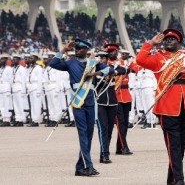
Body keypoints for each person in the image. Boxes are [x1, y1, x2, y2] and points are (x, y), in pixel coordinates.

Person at [136, 28, 185, 185]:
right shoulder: (157, 58)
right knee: (174, 147)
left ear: (179, 42)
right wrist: (150, 43)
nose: (169, 41)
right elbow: (140, 60)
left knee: (179, 147)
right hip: (167, 107)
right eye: (166, 39)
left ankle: (172, 180)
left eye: (173, 39)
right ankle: (179, 180)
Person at [50, 39, 114, 177]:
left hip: (90, 102)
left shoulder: (93, 64)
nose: (77, 51)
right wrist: (64, 50)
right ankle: (88, 166)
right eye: (76, 49)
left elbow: (111, 69)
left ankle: (80, 167)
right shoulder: (70, 63)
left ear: (86, 50)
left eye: (80, 49)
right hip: (78, 103)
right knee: (83, 134)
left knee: (89, 135)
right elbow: (53, 63)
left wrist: (95, 74)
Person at [105, 44, 135, 154]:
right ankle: (124, 146)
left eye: (114, 51)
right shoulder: (106, 64)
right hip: (115, 95)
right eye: (110, 51)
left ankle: (119, 147)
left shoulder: (122, 63)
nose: (112, 53)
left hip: (126, 95)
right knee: (120, 122)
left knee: (125, 123)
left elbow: (133, 69)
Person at [25, 53, 43, 127]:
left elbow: (39, 80)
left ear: (36, 59)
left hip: (36, 87)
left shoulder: (38, 68)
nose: (30, 59)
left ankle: (36, 120)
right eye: (30, 58)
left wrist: (39, 90)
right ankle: (33, 119)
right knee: (32, 105)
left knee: (36, 105)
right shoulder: (30, 68)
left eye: (32, 58)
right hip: (31, 87)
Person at [11, 54, 26, 127]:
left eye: (15, 59)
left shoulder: (22, 69)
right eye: (13, 59)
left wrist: (23, 90)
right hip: (14, 88)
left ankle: (21, 120)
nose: (13, 60)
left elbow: (23, 80)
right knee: (16, 105)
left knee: (20, 105)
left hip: (20, 87)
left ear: (19, 60)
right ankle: (17, 119)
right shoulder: (13, 68)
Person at [0, 54, 13, 127]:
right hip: (1, 88)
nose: (1, 61)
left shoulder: (9, 69)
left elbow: (10, 80)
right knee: (1, 105)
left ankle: (7, 119)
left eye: (3, 59)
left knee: (7, 104)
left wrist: (9, 90)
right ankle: (3, 118)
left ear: (6, 60)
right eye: (1, 59)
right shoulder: (0, 69)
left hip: (6, 87)